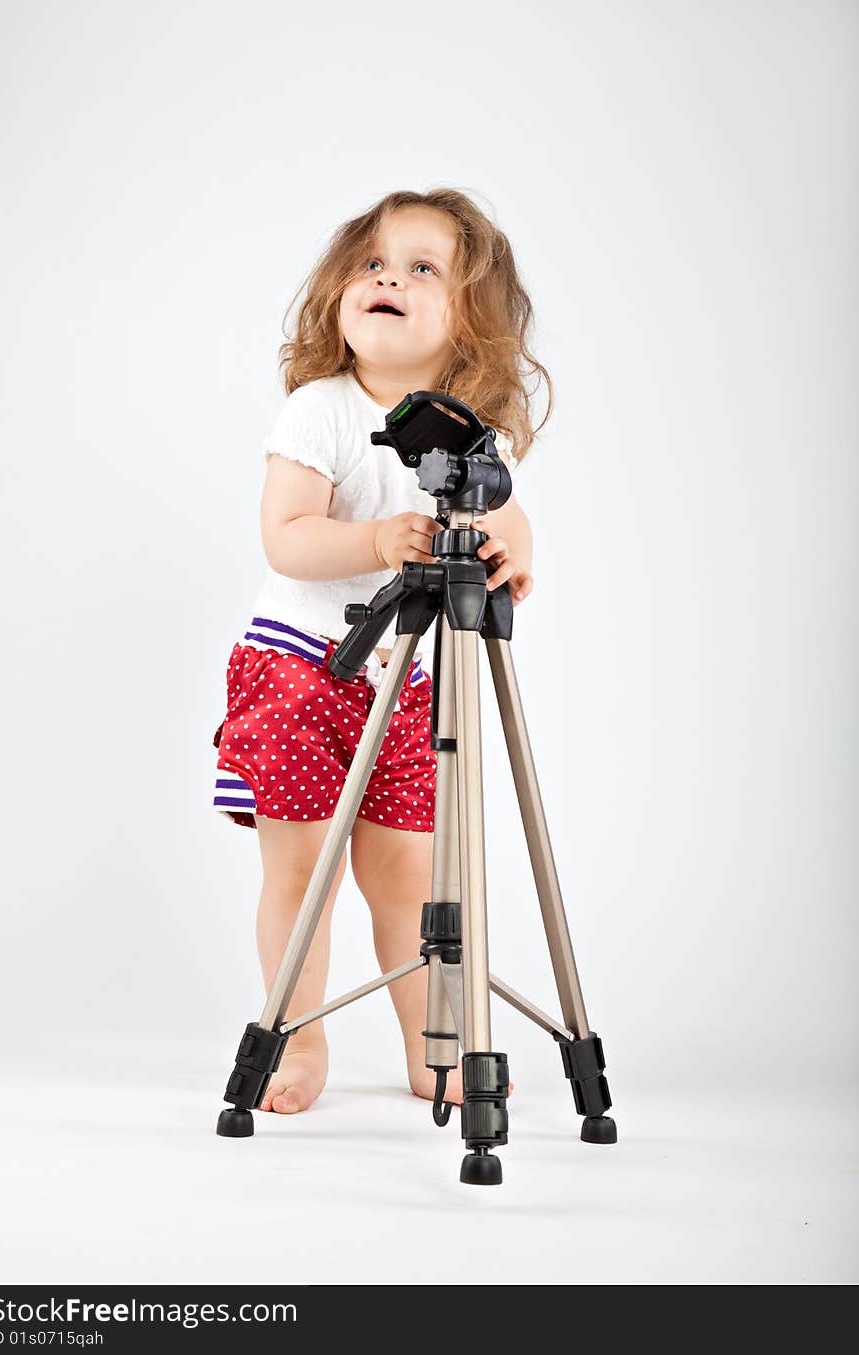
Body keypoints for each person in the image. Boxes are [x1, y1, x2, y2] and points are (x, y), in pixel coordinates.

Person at [211, 187, 551, 1114]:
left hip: (404, 685)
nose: (386, 276)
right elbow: (285, 536)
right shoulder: (319, 410)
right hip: (300, 665)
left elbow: (510, 522)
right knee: (303, 872)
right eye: (371, 263)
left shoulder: (467, 432)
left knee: (406, 878)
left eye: (420, 267)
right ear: (340, 293)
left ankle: (429, 1042)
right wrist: (374, 543)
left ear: (469, 326)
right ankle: (298, 1038)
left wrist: (511, 558)